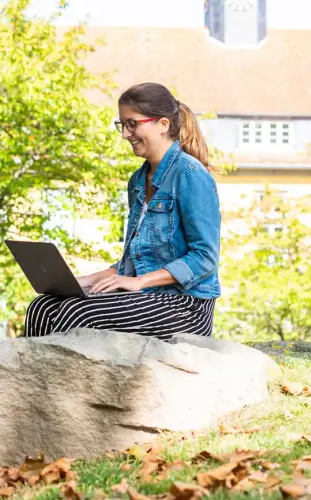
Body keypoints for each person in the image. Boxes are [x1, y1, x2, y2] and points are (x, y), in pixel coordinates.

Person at [24, 82, 221, 339]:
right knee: (43, 306)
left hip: (186, 307)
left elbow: (205, 258)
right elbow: (133, 260)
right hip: (145, 297)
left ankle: (71, 380)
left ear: (162, 125)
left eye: (132, 124)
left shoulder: (191, 175)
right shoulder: (138, 181)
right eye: (122, 125)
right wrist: (82, 281)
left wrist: (140, 281)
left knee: (76, 313)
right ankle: (35, 380)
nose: (126, 134)